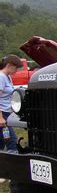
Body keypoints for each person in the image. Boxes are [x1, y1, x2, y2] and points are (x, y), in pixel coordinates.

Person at [0, 55, 22, 183]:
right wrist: (1, 117)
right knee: (11, 140)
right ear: (9, 66)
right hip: (2, 115)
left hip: (7, 113)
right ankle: (9, 172)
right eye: (16, 69)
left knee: (2, 142)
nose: (16, 72)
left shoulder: (7, 77)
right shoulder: (1, 77)